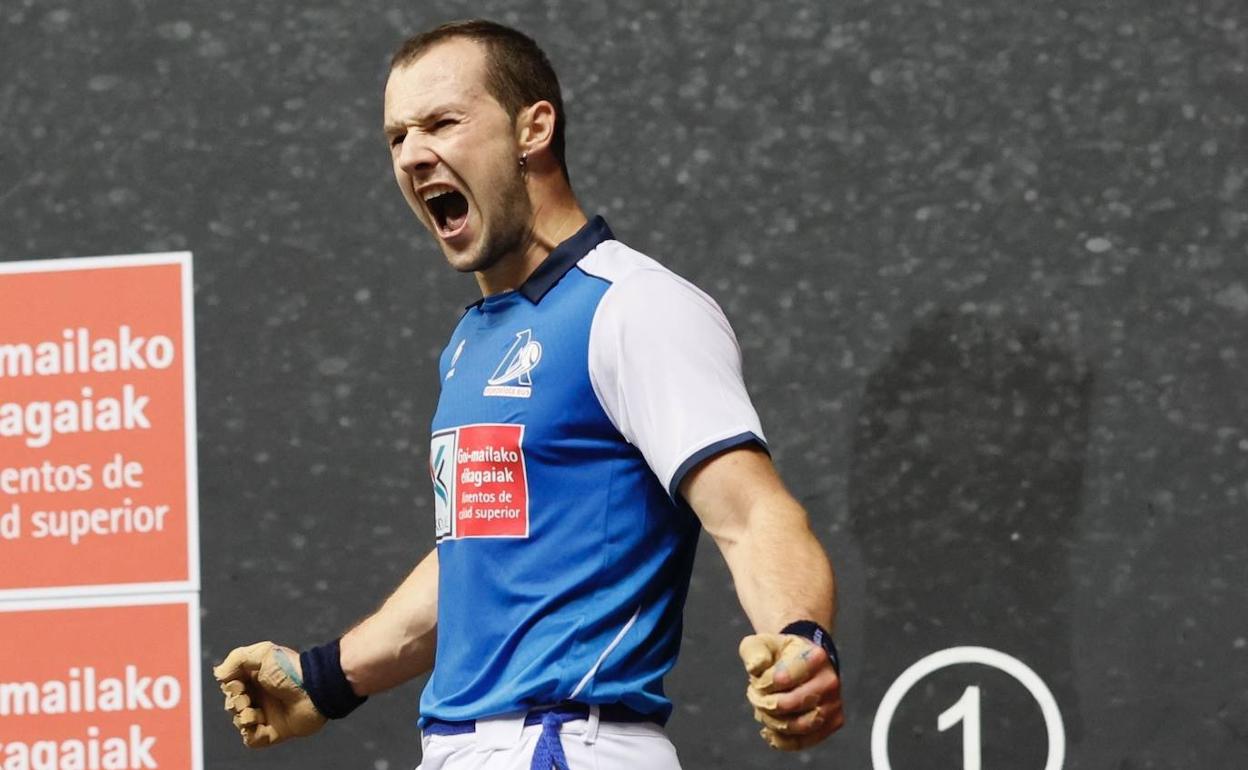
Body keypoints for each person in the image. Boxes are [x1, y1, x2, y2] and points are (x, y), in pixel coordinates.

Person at [214, 19, 843, 770]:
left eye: (442, 122)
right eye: (396, 138)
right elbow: (477, 561)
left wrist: (801, 640)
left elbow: (753, 513)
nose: (414, 154)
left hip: (564, 743)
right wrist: (325, 678)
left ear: (532, 128)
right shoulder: (474, 341)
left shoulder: (633, 306)